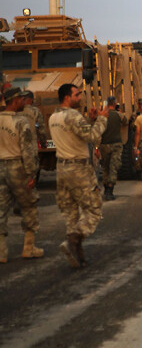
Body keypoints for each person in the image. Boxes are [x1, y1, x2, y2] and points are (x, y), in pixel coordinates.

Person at [49, 83, 109, 268]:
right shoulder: (73, 116)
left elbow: (76, 135)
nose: (80, 97)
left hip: (62, 169)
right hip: (79, 169)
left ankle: (76, 252)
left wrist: (90, 121)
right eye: (77, 94)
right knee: (94, 209)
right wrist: (101, 120)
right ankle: (73, 241)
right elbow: (91, 137)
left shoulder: (54, 117)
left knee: (71, 213)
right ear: (67, 97)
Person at [0, 88, 42, 263]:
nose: (23, 103)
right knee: (29, 205)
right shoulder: (21, 121)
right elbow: (28, 149)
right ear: (15, 101)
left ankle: (1, 251)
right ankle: (29, 247)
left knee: (1, 209)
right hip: (18, 166)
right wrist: (32, 173)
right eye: (21, 100)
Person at [99, 97, 127, 201]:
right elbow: (125, 122)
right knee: (114, 167)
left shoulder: (102, 116)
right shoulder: (118, 115)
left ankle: (106, 189)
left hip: (104, 144)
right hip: (116, 144)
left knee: (105, 167)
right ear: (115, 104)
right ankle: (110, 190)